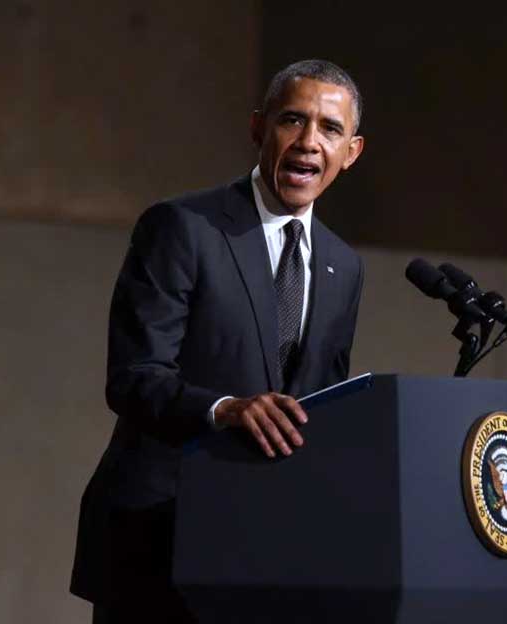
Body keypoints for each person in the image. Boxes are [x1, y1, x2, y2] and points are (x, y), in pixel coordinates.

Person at [70, 59, 366, 623]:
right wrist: (226, 409)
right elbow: (134, 377)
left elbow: (316, 405)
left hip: (264, 554)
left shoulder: (342, 267)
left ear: (351, 152)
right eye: (292, 121)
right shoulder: (182, 227)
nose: (308, 142)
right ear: (259, 128)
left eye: (329, 129)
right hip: (159, 542)